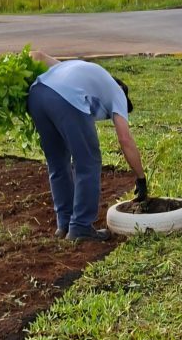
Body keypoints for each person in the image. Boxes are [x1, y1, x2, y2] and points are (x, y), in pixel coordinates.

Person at [27, 51, 149, 241]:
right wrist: (141, 178)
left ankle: (64, 224)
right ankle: (81, 227)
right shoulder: (117, 92)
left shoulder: (79, 70)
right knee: (88, 162)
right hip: (67, 100)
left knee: (58, 164)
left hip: (36, 95)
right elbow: (125, 139)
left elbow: (37, 55)